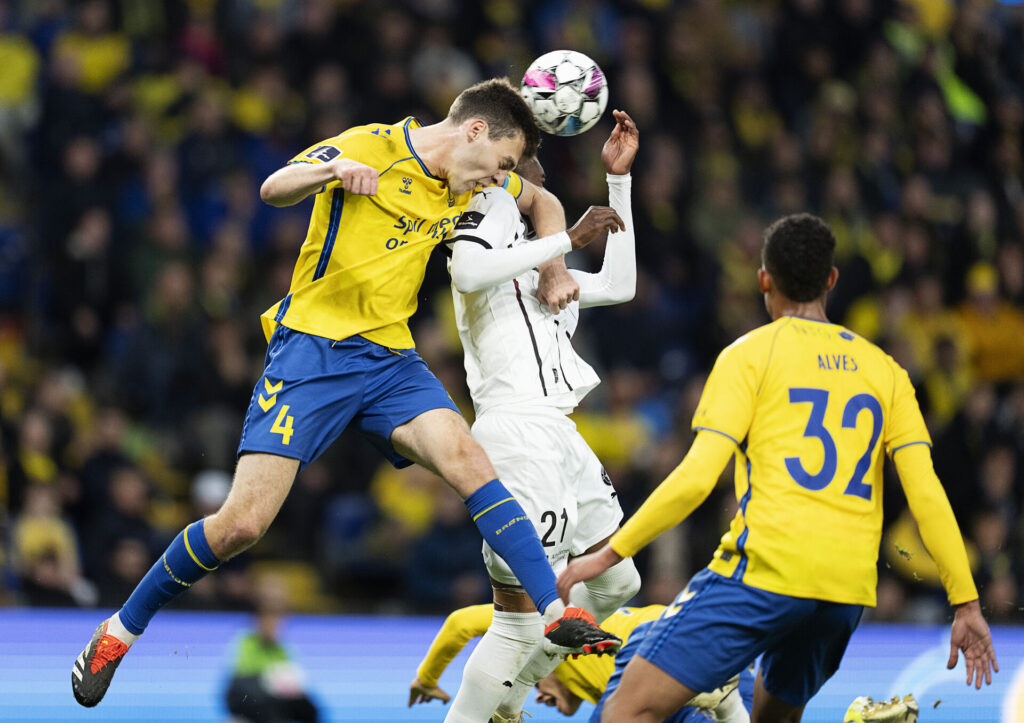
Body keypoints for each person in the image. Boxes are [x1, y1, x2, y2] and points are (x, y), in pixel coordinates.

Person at [72, 78, 625, 708]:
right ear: (474, 131)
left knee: (471, 462)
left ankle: (554, 611)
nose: (495, 181)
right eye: (500, 163)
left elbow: (546, 201)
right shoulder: (372, 145)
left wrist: (552, 267)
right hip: (312, 352)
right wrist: (333, 171)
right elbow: (272, 187)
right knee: (242, 525)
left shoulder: (479, 178)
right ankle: (118, 632)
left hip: (389, 358)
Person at [557, 213, 998, 722]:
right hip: (845, 588)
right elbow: (927, 493)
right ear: (831, 281)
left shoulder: (749, 355)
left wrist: (609, 554)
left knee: (625, 711)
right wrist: (966, 603)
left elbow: (698, 477)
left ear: (763, 279)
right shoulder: (886, 371)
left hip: (764, 571)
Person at [439, 110, 644, 723]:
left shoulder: (540, 265)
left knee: (618, 582)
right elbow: (468, 270)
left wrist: (619, 184)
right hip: (514, 430)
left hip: (560, 432)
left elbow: (622, 283)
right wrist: (564, 240)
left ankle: (510, 700)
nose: (537, 182)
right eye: (523, 169)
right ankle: (485, 711)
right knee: (520, 618)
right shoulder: (482, 230)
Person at [408, 602, 753, 722]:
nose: (539, 698)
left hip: (677, 658)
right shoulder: (595, 660)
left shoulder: (552, 627)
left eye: (534, 684)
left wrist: (426, 678)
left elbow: (460, 623)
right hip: (728, 665)